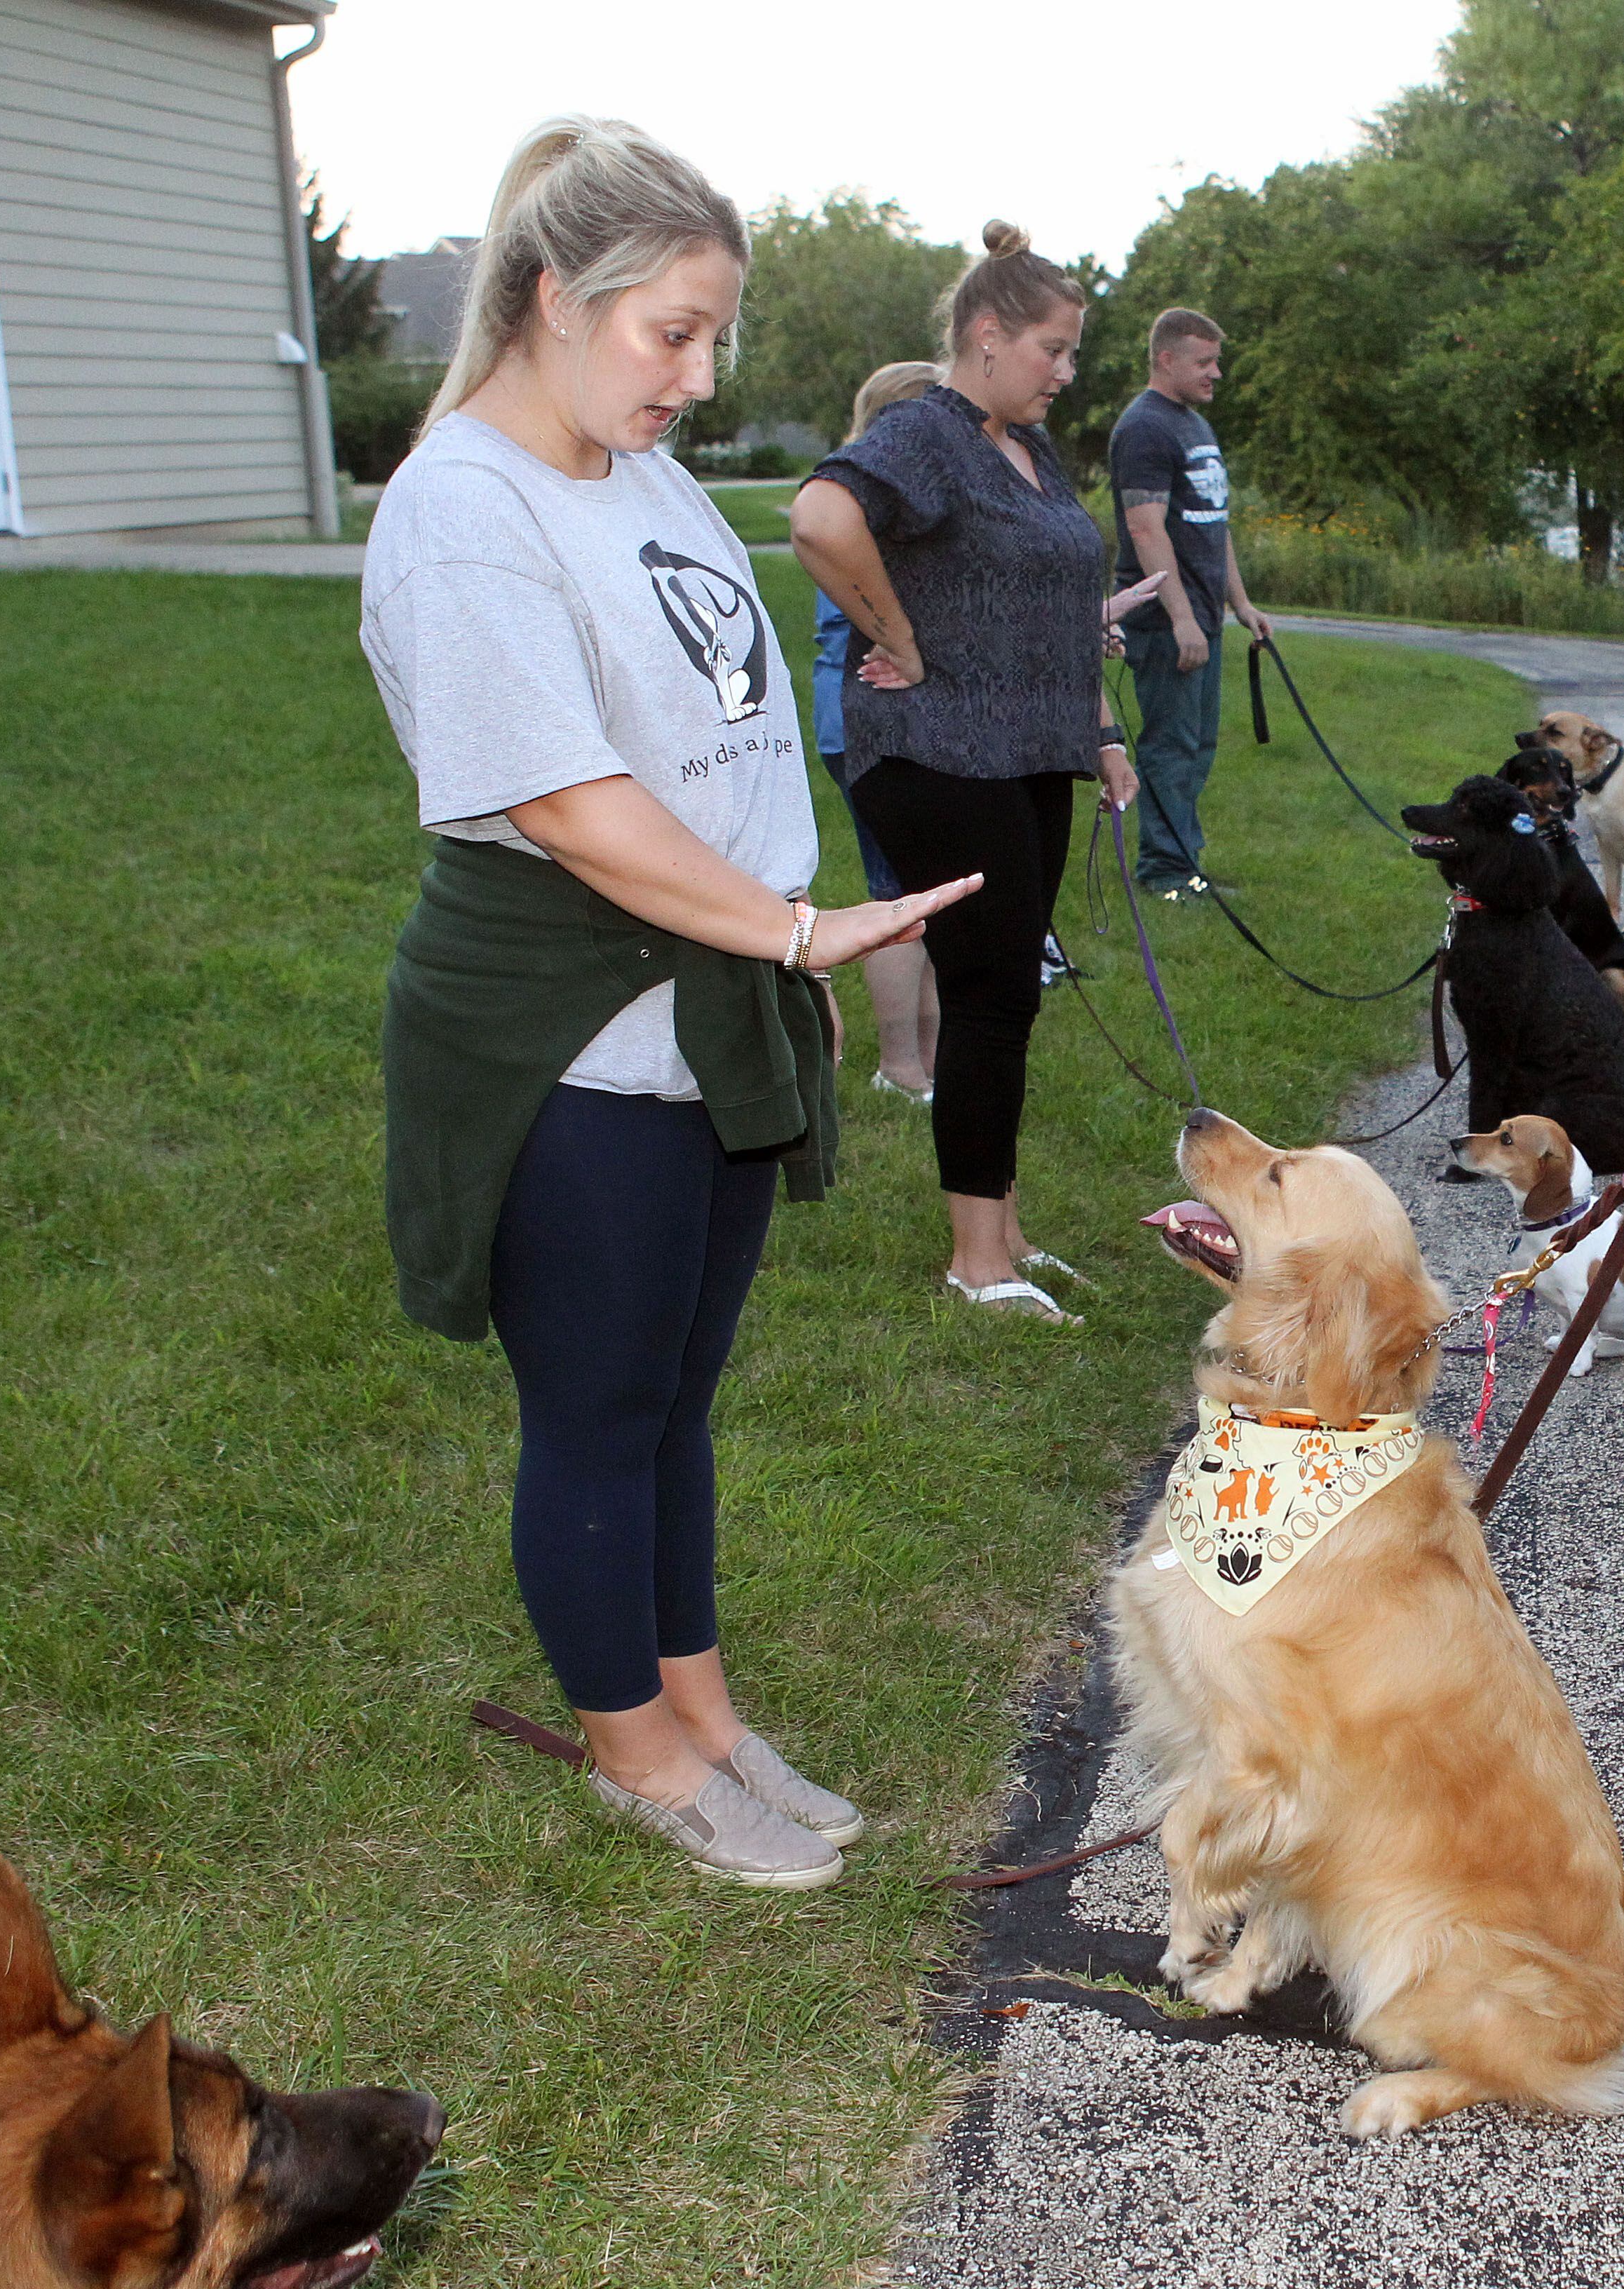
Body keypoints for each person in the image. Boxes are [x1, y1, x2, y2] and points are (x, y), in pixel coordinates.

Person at [365, 119, 974, 1889]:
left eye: (715, 337)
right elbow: (564, 802)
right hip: (575, 1029)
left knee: (677, 1397)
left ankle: (698, 1705)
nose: (700, 380)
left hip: (710, 993)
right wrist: (796, 938)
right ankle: (631, 1750)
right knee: (599, 1406)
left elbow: (721, 724)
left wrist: (784, 932)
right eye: (673, 335)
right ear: (557, 298)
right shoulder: (462, 509)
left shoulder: (635, 473)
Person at [789, 224, 1139, 1323]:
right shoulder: (928, 433)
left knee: (1010, 1005)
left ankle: (1007, 1232)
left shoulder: (1026, 448)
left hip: (1031, 755)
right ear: (986, 336)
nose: (1067, 374)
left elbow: (1057, 603)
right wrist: (896, 637)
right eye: (1055, 350)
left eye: (1074, 353)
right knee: (989, 1001)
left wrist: (1103, 732)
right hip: (939, 756)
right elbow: (820, 516)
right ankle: (975, 1263)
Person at [1108, 306, 1273, 900]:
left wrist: (1241, 605)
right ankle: (1166, 872)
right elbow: (1146, 529)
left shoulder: (1193, 426)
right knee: (1171, 747)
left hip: (1204, 615)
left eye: (1216, 360)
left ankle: (1183, 862)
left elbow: (1213, 524)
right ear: (1166, 359)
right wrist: (1181, 619)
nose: (1216, 374)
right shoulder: (1145, 428)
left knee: (1197, 746)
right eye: (1204, 362)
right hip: (1163, 622)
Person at [816, 359, 947, 1104]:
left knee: (925, 893)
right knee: (898, 894)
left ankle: (924, 1062)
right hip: (871, 722)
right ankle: (899, 1066)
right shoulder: (868, 504)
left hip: (883, 720)